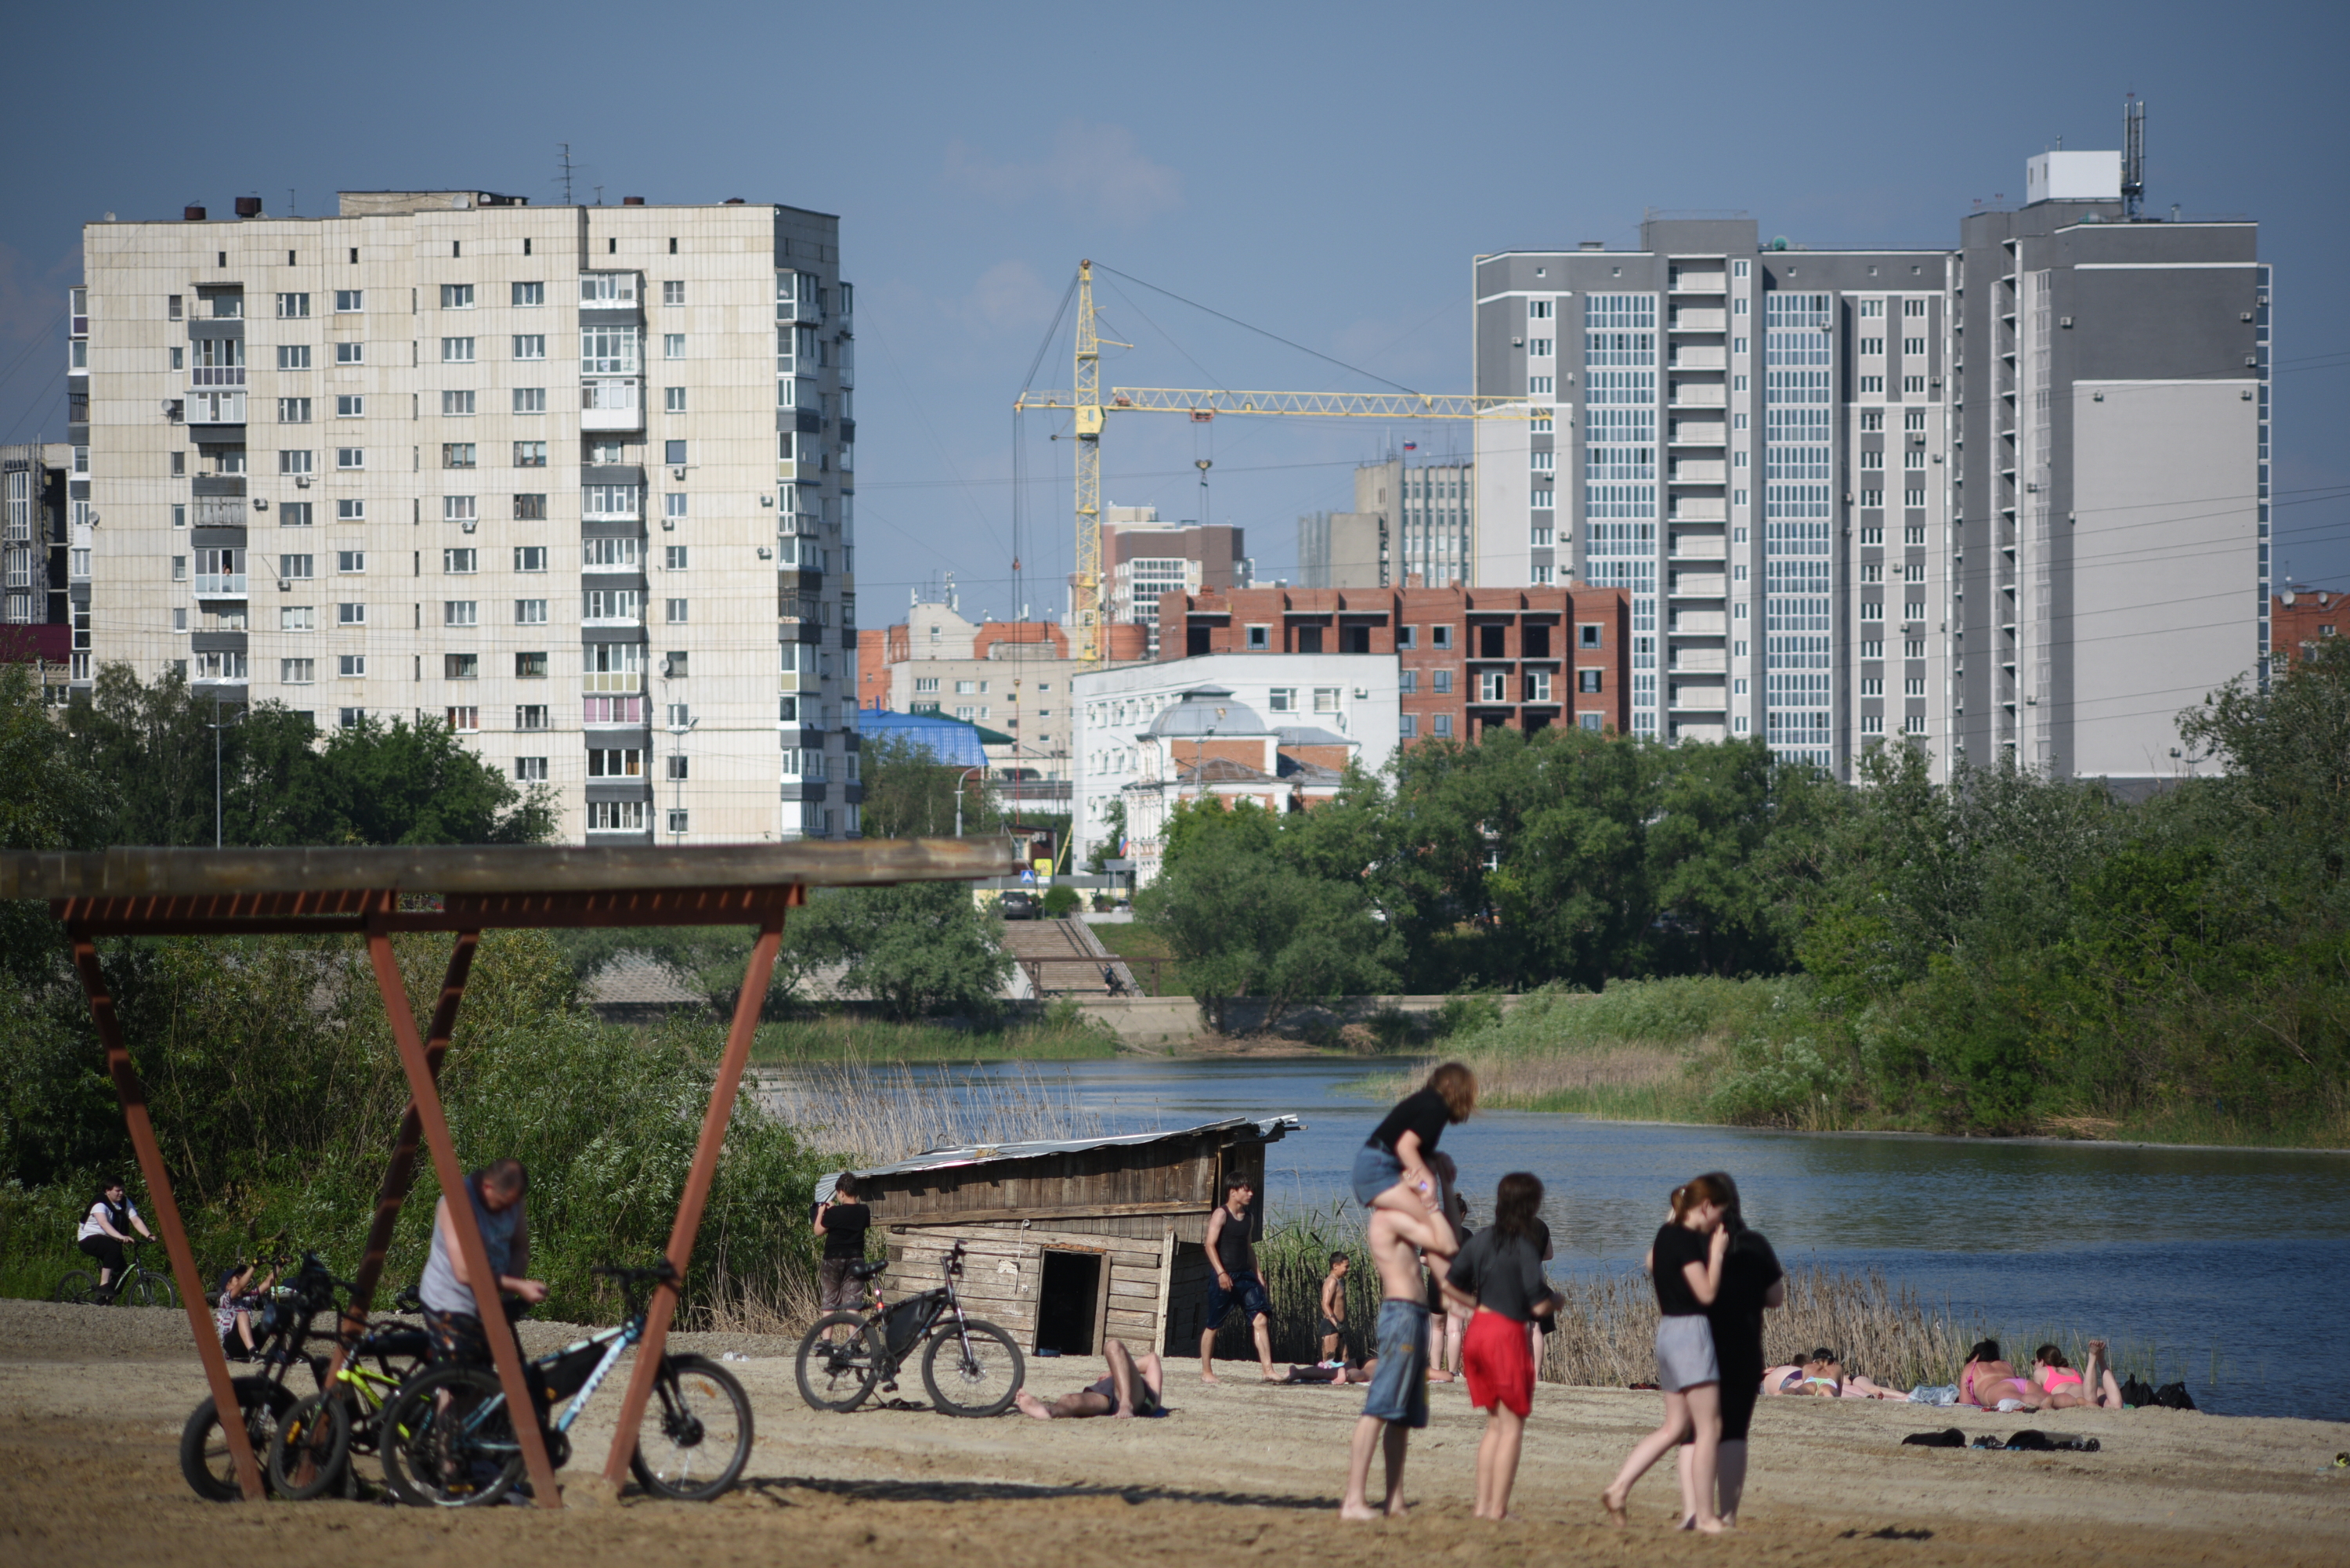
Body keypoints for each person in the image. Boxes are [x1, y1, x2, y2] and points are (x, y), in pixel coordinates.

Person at [1601, 1176, 1730, 1534]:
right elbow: (1706, 1294)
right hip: (1691, 1332)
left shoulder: (1664, 1235)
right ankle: (1705, 1517)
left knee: (1675, 1427)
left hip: (1668, 1332)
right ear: (1704, 1207)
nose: (1719, 1223)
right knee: (1709, 1428)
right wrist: (1716, 1256)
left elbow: (1650, 1262)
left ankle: (1619, 1487)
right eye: (1718, 1213)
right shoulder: (1687, 1240)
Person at [1446, 1172, 1561, 1522]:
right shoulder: (1524, 1246)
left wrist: (1471, 1306)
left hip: (1478, 1331)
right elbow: (1538, 1305)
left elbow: (1449, 1284)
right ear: (1531, 1204)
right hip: (1505, 1334)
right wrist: (1559, 1301)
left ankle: (1482, 1506)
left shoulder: (1480, 1240)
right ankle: (1497, 1509)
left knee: (1495, 1425)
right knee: (1512, 1426)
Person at [1339, 1197, 1459, 1521]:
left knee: (1402, 1416)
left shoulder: (1405, 1218)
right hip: (1402, 1314)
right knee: (1378, 1408)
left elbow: (1452, 1244)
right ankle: (1354, 1501)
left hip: (1415, 1316)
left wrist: (1444, 1186)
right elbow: (1446, 1240)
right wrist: (1431, 1195)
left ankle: (1394, 1499)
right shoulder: (1388, 1218)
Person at [1675, 1172, 1783, 1530]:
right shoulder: (1756, 1243)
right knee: (1734, 1432)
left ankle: (1693, 1511)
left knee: (1694, 1432)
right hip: (1743, 1347)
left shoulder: (1691, 1244)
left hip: (1697, 1347)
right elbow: (1775, 1298)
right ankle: (1729, 1515)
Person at [418, 1158, 548, 1368]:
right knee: (461, 1379)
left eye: (512, 1205)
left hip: (486, 1301)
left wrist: (508, 1297)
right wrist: (518, 1286)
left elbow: (519, 1247)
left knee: (484, 1373)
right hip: (448, 1300)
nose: (508, 1211)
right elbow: (464, 1272)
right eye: (503, 1204)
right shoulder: (455, 1204)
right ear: (487, 1187)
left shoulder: (512, 1199)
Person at [1353, 1062, 1475, 1221]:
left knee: (1417, 1223)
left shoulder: (1427, 1102)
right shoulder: (1436, 1107)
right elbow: (1405, 1147)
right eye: (1466, 1089)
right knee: (1433, 1223)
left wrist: (1437, 1157)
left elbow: (1409, 1146)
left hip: (1372, 1166)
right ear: (1449, 1085)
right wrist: (1429, 1184)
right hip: (1378, 1169)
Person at [1198, 1174, 1277, 1384]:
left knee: (1260, 1318)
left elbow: (1249, 1247)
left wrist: (1258, 1273)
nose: (1251, 1193)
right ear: (1233, 1192)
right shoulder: (1221, 1214)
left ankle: (1268, 1370)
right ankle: (1207, 1371)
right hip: (1224, 1277)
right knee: (1214, 1324)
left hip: (1245, 1276)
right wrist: (1221, 1273)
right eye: (1246, 1190)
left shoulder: (1249, 1218)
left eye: (1251, 1190)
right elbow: (1209, 1245)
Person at [1016, 1339, 1166, 1419]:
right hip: (1108, 1396)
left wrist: (1114, 1371)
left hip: (1134, 1398)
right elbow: (1149, 1361)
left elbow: (1152, 1359)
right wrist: (1114, 1371)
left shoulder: (1152, 1392)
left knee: (1113, 1346)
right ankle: (1048, 1411)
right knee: (1069, 1399)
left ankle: (1126, 1404)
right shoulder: (1117, 1380)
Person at [813, 1173, 873, 1336]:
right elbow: (853, 1219)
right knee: (853, 1302)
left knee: (830, 1301)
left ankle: (826, 1342)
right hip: (856, 1259)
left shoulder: (834, 1213)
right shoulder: (864, 1211)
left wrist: (822, 1212)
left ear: (841, 1192)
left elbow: (818, 1231)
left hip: (833, 1259)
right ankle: (853, 1341)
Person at [75, 1179, 155, 1299]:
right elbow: (104, 1224)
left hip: (108, 1237)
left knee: (122, 1268)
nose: (121, 1193)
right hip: (88, 1238)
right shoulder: (100, 1203)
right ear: (108, 1191)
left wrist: (149, 1235)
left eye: (123, 1190)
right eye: (117, 1191)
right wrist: (121, 1237)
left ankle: (105, 1299)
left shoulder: (124, 1202)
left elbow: (136, 1220)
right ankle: (104, 1285)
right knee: (113, 1248)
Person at [212, 1259, 277, 1362]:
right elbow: (240, 1285)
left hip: (247, 1343)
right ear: (228, 1286)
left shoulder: (247, 1298)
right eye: (238, 1278)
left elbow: (267, 1284)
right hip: (232, 1346)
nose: (243, 1279)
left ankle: (287, 1352)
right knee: (242, 1314)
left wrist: (279, 1265)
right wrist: (254, 1266)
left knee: (270, 1318)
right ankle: (253, 1353)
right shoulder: (225, 1299)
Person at [1958, 1339, 2047, 1411]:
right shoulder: (2005, 1364)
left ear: (1976, 1355)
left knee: (2021, 1399)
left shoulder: (1971, 1367)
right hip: (2023, 1383)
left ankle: (2041, 1404)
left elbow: (1966, 1403)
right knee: (2050, 1398)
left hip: (1999, 1389)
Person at [2034, 1342, 2126, 1409]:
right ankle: (2101, 1359)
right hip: (2092, 1389)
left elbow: (2038, 1396)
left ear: (2041, 1362)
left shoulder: (2041, 1371)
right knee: (2116, 1406)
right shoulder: (2071, 1370)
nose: (2034, 1365)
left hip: (2075, 1393)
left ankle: (2093, 1357)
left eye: (2034, 1362)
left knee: (2091, 1403)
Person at [1318, 1252, 1350, 1364]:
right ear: (1335, 1266)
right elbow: (1325, 1304)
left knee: (1345, 1359)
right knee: (1329, 1361)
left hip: (1338, 1326)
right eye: (1346, 1267)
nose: (1348, 1270)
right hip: (1331, 1325)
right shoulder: (1331, 1281)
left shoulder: (1338, 1281)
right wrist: (1336, 1324)